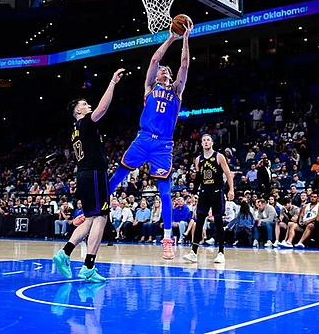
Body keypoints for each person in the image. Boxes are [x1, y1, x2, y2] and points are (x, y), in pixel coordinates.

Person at [108, 19, 194, 260]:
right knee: (117, 177)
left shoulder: (176, 90)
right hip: (143, 139)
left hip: (163, 145)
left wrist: (185, 38)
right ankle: (93, 210)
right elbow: (155, 60)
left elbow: (185, 64)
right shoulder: (149, 87)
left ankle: (168, 238)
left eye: (166, 70)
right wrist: (171, 38)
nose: (163, 70)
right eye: (161, 70)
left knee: (165, 193)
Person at [53, 68, 125, 283]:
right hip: (93, 173)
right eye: (83, 104)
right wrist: (112, 82)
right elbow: (103, 107)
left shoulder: (75, 129)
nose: (87, 105)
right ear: (77, 111)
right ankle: (88, 266)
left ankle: (65, 253)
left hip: (85, 173)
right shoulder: (85, 122)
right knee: (101, 218)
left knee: (92, 217)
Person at [183, 134, 234, 264]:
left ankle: (221, 252)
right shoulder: (198, 159)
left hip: (217, 193)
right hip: (204, 193)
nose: (206, 142)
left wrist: (231, 190)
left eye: (208, 140)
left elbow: (228, 175)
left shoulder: (219, 156)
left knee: (218, 222)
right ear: (201, 144)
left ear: (212, 143)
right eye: (204, 140)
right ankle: (194, 252)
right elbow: (199, 178)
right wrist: (193, 193)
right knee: (198, 222)